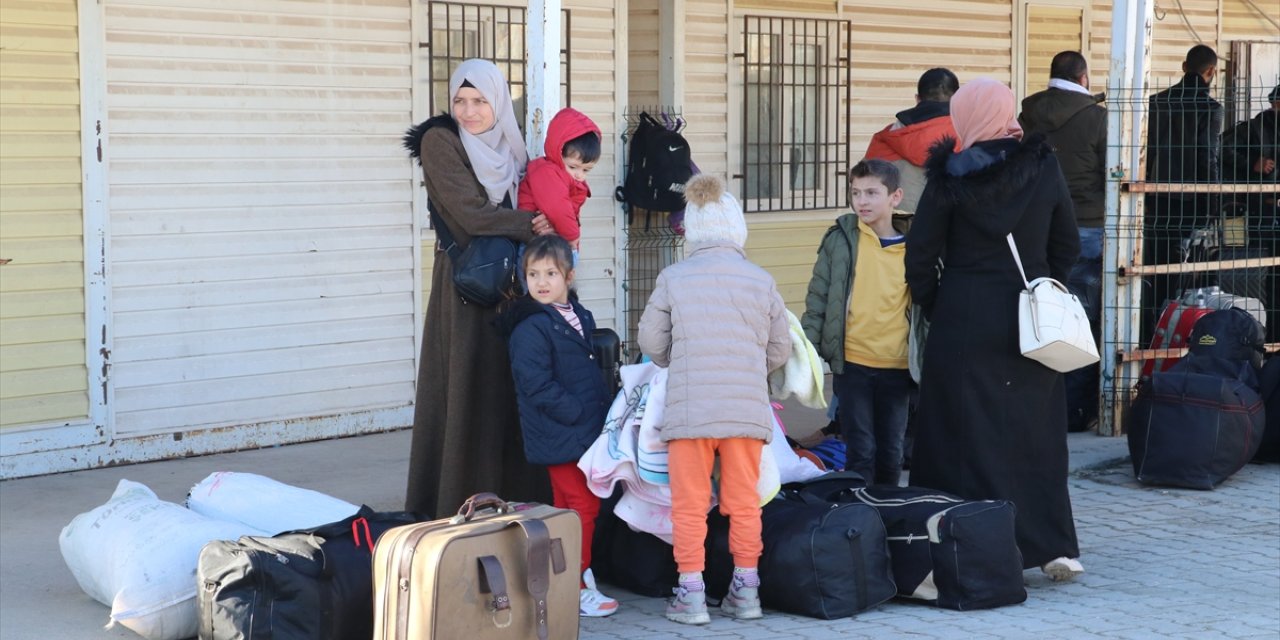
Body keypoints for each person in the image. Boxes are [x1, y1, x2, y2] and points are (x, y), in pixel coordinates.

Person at [905, 78, 1084, 581]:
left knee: (958, 433)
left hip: (962, 316)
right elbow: (1066, 241)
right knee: (1035, 433)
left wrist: (937, 303)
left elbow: (921, 255)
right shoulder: (1043, 164)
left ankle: (965, 542)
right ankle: (1053, 548)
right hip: (1031, 318)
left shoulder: (947, 177)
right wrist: (1047, 288)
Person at [401, 59, 556, 518]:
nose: (469, 112)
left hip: (515, 288)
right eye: (460, 101)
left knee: (508, 396)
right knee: (467, 393)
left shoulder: (512, 150)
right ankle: (456, 507)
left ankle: (514, 508)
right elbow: (471, 215)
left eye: (480, 101)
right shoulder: (440, 141)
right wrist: (531, 224)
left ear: (499, 103)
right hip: (467, 292)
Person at [637, 174, 790, 625]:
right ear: (737, 230)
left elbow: (651, 339)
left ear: (694, 233)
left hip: (690, 413)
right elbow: (780, 347)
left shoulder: (673, 277)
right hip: (744, 412)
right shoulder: (760, 280)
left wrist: (675, 361)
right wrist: (748, 370)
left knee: (688, 504)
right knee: (745, 503)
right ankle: (746, 592)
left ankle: (691, 595)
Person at [499, 234, 618, 618]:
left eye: (551, 273)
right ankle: (577, 584)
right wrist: (573, 411)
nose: (542, 282)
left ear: (569, 275)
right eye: (533, 274)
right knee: (581, 507)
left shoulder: (578, 314)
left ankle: (562, 579)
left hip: (581, 430)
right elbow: (534, 382)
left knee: (568, 507)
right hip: (561, 431)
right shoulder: (531, 325)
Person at [801, 159, 914, 486]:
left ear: (895, 197)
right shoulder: (841, 240)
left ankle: (888, 516)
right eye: (855, 192)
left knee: (891, 450)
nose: (861, 201)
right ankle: (861, 523)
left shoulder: (916, 246)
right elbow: (818, 297)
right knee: (860, 449)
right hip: (852, 363)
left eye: (871, 193)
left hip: (898, 366)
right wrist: (807, 351)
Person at [1018, 50, 1107, 432]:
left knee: (1041, 314)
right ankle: (1074, 409)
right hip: (1087, 224)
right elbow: (1112, 175)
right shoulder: (1098, 119)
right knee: (1081, 320)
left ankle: (1038, 401)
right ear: (1083, 78)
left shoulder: (1028, 112)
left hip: (1036, 225)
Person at [1144, 45, 1224, 341]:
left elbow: (1147, 153)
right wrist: (1213, 205)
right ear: (1211, 72)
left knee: (1154, 273)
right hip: (1192, 202)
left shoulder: (1157, 103)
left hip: (1155, 197)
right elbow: (1208, 158)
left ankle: (1148, 334)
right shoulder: (1211, 108)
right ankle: (1177, 336)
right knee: (1187, 275)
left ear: (1183, 66)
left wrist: (1148, 196)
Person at [863, 68, 961, 213]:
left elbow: (862, 191)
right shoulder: (968, 136)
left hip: (893, 228)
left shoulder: (886, 137)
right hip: (947, 230)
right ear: (958, 99)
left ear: (917, 99)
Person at [517, 107, 602, 262]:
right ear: (558, 152)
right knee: (543, 283)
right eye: (573, 167)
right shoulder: (547, 172)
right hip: (538, 242)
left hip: (549, 239)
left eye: (586, 170)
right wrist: (572, 238)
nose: (579, 175)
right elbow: (558, 208)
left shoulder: (563, 175)